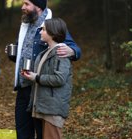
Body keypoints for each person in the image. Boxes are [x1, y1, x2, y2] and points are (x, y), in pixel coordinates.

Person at [6, 0, 81, 139]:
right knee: (22, 132)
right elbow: (24, 52)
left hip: (40, 90)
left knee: (42, 133)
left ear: (38, 6)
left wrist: (72, 51)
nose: (23, 7)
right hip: (23, 87)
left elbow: (73, 48)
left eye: (26, 4)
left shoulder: (51, 25)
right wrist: (14, 54)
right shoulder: (26, 25)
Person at [21, 18, 73, 139]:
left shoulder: (60, 53)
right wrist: (31, 76)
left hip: (52, 110)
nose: (40, 32)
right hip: (43, 108)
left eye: (43, 29)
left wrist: (36, 77)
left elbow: (59, 79)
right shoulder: (45, 53)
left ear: (52, 32)